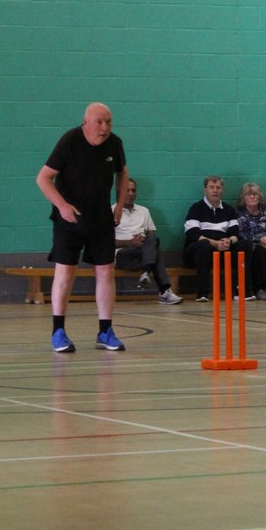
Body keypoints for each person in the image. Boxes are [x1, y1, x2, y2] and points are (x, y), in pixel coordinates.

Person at [35, 102, 129, 353]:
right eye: (99, 122)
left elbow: (123, 174)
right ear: (86, 122)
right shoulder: (70, 141)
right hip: (70, 219)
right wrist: (63, 206)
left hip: (101, 218)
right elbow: (43, 178)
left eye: (108, 122)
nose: (104, 127)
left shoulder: (115, 143)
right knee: (65, 273)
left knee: (106, 272)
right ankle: (58, 331)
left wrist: (119, 205)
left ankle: (105, 331)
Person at [183, 176, 254, 301]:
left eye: (218, 187)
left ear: (222, 190)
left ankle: (241, 291)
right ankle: (203, 293)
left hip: (224, 250)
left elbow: (235, 233)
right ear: (205, 190)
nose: (215, 190)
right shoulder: (196, 208)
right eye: (211, 187)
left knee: (245, 245)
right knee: (203, 244)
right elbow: (192, 234)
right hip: (199, 252)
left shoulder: (229, 210)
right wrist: (216, 244)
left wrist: (229, 241)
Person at [114, 179, 182, 304]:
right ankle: (164, 291)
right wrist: (130, 242)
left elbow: (152, 237)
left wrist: (142, 241)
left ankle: (146, 273)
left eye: (133, 190)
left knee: (152, 238)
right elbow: (107, 242)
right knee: (156, 252)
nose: (130, 193)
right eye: (126, 190)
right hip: (123, 255)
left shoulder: (144, 211)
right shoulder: (111, 211)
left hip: (143, 252)